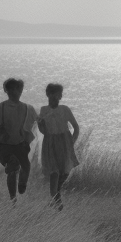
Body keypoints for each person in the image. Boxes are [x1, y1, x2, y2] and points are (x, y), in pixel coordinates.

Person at [0, 77, 39, 202]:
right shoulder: (1, 107)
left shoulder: (27, 108)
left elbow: (38, 120)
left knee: (26, 166)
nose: (13, 92)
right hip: (5, 146)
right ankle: (13, 198)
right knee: (13, 167)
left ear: (20, 91)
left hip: (21, 145)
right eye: (10, 90)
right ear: (7, 91)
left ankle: (21, 185)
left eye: (16, 89)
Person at [36, 82, 81, 210]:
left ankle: (55, 195)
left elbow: (76, 127)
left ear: (60, 96)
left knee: (65, 171)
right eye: (52, 94)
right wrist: (40, 123)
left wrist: (72, 141)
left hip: (65, 141)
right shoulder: (44, 110)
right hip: (50, 142)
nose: (55, 96)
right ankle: (57, 200)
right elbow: (43, 131)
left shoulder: (65, 109)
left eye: (58, 94)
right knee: (54, 172)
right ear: (48, 94)